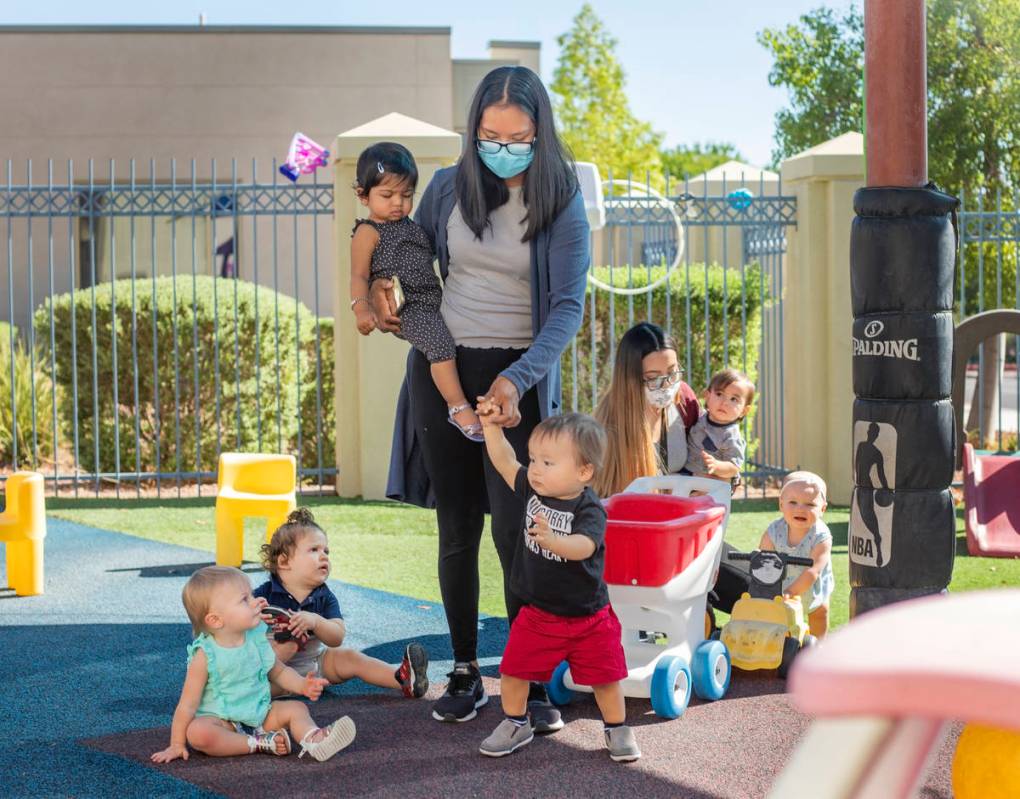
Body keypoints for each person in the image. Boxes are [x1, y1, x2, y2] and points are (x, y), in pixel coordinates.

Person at [375, 65, 591, 727]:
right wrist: (392, 297)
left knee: (520, 529)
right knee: (458, 527)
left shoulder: (562, 197)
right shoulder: (446, 188)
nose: (502, 146)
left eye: (517, 136)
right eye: (489, 134)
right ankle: (467, 669)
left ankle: (528, 676)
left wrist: (515, 380)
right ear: (474, 131)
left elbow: (566, 309)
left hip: (517, 378)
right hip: (445, 372)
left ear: (539, 132)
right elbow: (417, 269)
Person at [475, 408, 640, 762]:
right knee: (513, 670)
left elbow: (585, 546)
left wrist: (554, 542)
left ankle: (616, 727)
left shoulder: (590, 509)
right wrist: (490, 427)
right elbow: (505, 461)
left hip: (589, 618)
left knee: (606, 678)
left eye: (547, 462)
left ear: (584, 471)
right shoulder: (533, 490)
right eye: (534, 459)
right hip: (539, 613)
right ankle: (516, 722)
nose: (535, 468)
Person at [151, 565, 356, 764]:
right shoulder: (205, 656)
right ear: (216, 620)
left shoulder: (257, 638)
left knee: (297, 708)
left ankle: (314, 738)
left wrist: (303, 685)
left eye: (251, 594)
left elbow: (279, 671)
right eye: (244, 599)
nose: (257, 600)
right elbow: (187, 704)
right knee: (198, 733)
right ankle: (257, 743)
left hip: (260, 714)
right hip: (224, 722)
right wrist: (176, 743)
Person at [349, 142, 482, 441]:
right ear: (363, 195)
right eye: (387, 195)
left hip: (432, 299)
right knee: (440, 346)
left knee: (451, 341)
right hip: (407, 307)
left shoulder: (411, 225)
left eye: (406, 195)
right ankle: (458, 407)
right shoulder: (367, 232)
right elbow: (358, 275)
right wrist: (362, 309)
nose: (398, 202)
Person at [253, 508, 429, 700]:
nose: (324, 556)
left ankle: (402, 678)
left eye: (326, 551)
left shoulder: (324, 596)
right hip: (274, 670)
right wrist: (250, 614)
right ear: (284, 561)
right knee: (263, 675)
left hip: (316, 663)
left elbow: (336, 637)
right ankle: (264, 693)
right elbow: (231, 623)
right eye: (314, 550)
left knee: (351, 657)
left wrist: (316, 622)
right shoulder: (264, 594)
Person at [593, 321, 700, 498]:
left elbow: (709, 446)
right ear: (630, 379)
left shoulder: (684, 398)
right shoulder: (607, 425)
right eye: (652, 378)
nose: (667, 384)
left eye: (673, 372)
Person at [759, 471, 835, 637]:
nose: (800, 509)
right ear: (781, 505)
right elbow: (763, 559)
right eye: (792, 502)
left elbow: (813, 571)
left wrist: (791, 592)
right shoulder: (773, 531)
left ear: (822, 509)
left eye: (809, 504)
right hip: (782, 582)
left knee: (819, 612)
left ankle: (818, 646)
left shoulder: (821, 536)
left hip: (811, 584)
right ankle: (781, 643)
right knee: (780, 617)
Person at [683, 368, 755, 485]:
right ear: (707, 396)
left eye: (734, 399)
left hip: (710, 481)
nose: (724, 402)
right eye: (719, 394)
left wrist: (717, 466)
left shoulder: (731, 436)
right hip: (687, 473)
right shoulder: (701, 417)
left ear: (744, 411)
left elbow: (734, 467)